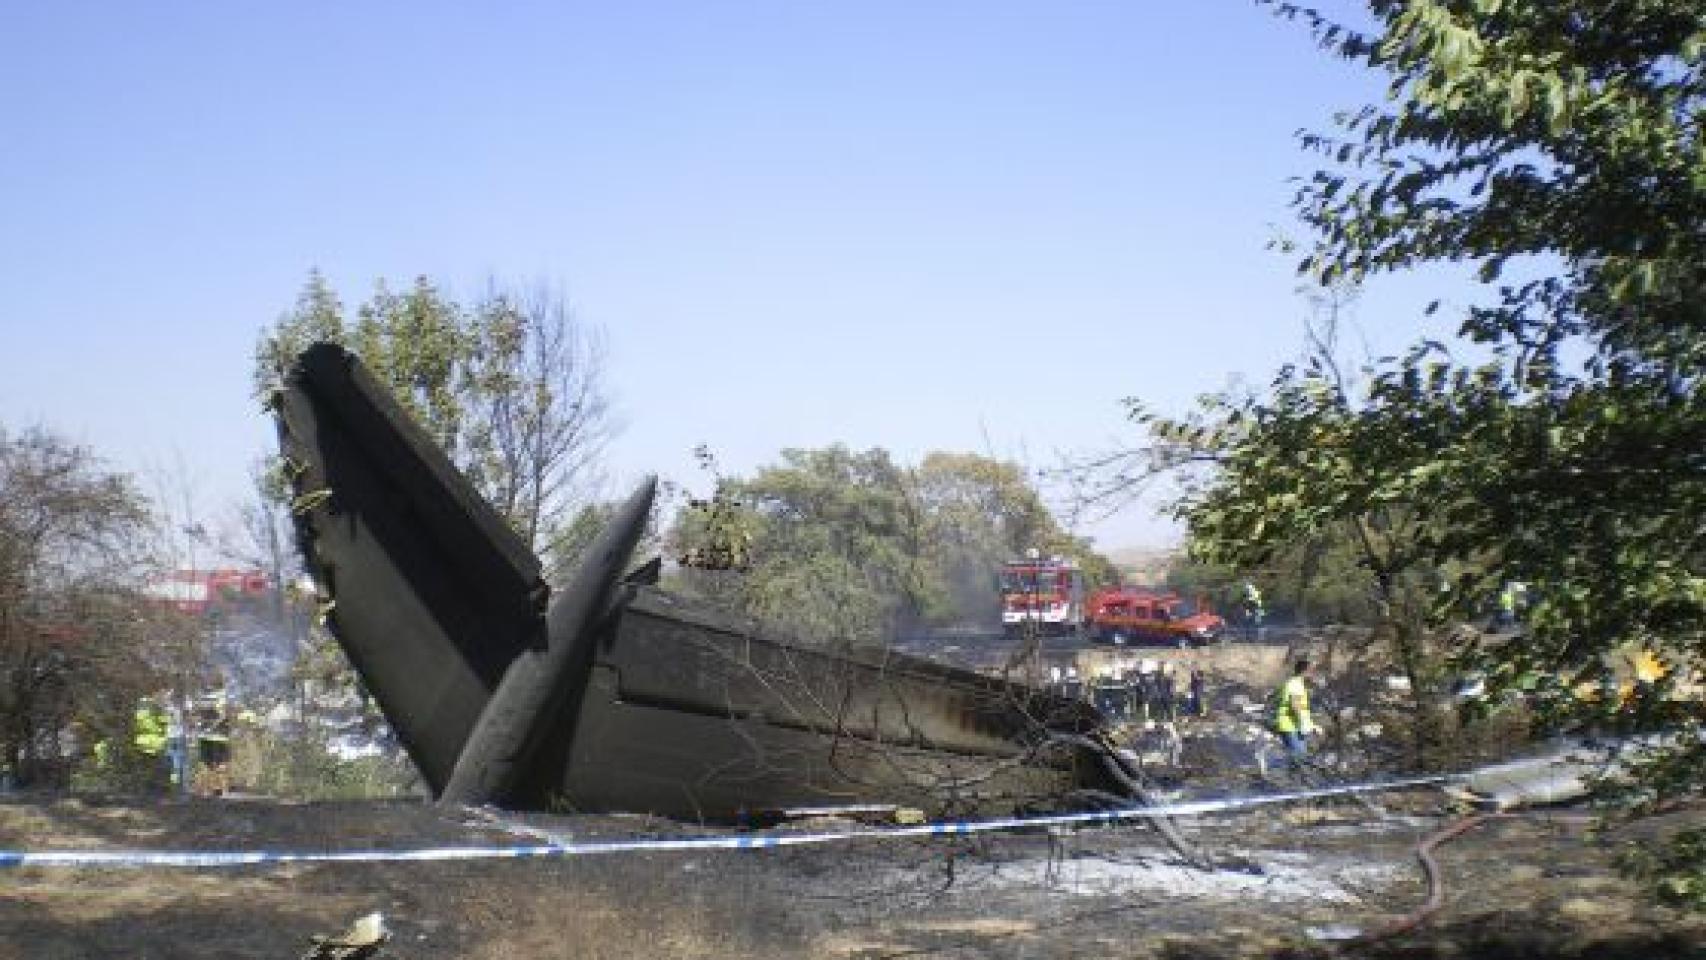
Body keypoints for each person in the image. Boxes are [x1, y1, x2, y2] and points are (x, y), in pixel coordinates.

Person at [1270, 659, 1316, 768]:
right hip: (1290, 725)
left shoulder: (1295, 683)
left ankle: (1287, 776)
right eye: (1312, 671)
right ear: (1306, 671)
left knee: (1296, 756)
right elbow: (1295, 704)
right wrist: (1303, 723)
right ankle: (1278, 772)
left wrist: (1311, 724)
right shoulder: (1295, 684)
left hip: (1292, 724)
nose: (1314, 674)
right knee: (1298, 757)